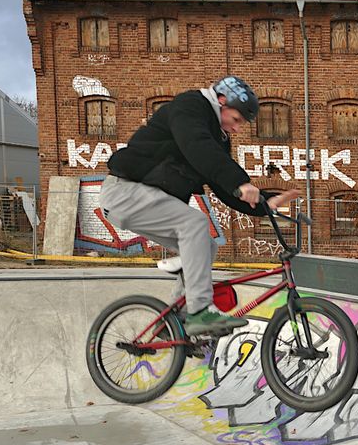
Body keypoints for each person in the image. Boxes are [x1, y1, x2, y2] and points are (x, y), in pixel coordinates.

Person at [100, 76, 300, 336]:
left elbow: (222, 186)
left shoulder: (217, 138)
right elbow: (197, 146)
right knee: (194, 223)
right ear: (221, 101)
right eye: (236, 120)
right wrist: (239, 181)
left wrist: (264, 203)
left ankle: (173, 322)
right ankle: (200, 311)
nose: (237, 129)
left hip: (146, 200)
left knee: (206, 245)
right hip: (125, 191)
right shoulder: (189, 107)